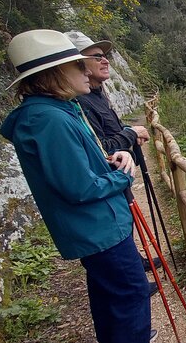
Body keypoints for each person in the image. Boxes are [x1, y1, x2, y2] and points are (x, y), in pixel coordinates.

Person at [0, 29, 171, 343]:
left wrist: (111, 157)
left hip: (95, 227)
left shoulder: (55, 112)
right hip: (98, 227)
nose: (85, 69)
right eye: (77, 63)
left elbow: (78, 166)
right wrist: (119, 173)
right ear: (55, 74)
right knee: (131, 292)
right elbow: (78, 187)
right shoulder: (50, 120)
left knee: (106, 288)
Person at [63, 30, 161, 278]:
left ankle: (135, 263)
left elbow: (110, 133)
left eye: (104, 55)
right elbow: (99, 146)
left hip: (115, 177)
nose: (105, 60)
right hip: (105, 182)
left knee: (125, 219)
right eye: (96, 56)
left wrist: (129, 134)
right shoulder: (82, 102)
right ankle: (131, 275)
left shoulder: (96, 95)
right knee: (120, 224)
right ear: (76, 62)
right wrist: (130, 134)